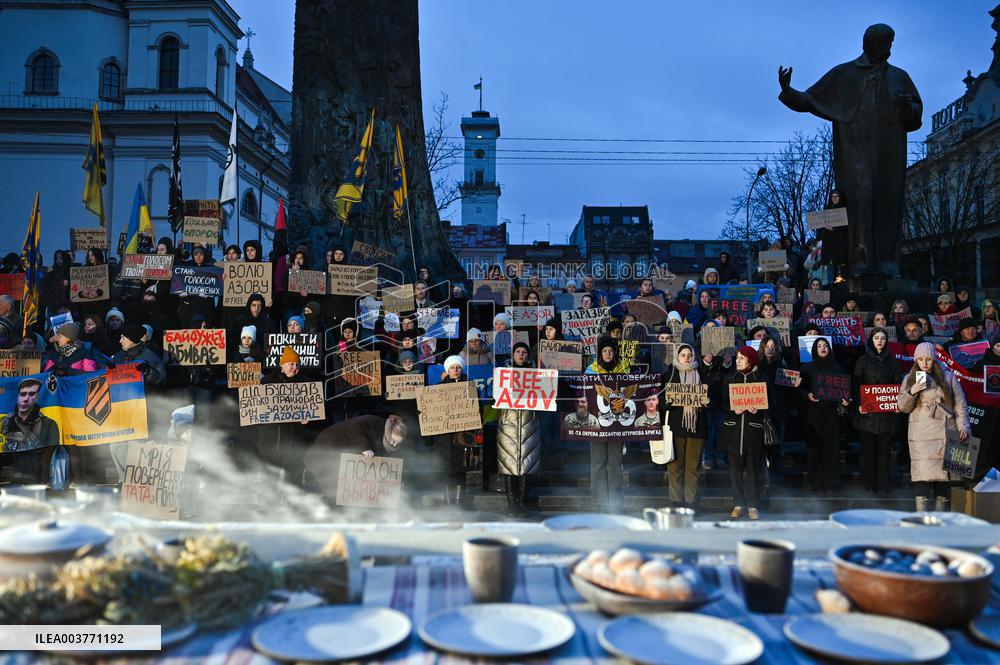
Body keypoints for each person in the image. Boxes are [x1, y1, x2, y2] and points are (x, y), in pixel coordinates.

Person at [897, 342, 971, 512]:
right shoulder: (909, 378)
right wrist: (912, 391)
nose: (925, 363)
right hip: (921, 434)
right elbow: (902, 406)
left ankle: (940, 517)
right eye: (921, 359)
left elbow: (960, 406)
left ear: (934, 359)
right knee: (922, 475)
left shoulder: (949, 377)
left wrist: (964, 427)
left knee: (943, 478)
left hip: (946, 430)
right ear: (916, 360)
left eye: (928, 359)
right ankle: (922, 517)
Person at [717, 346, 768, 520]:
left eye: (742, 358)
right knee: (735, 471)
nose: (738, 361)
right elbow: (722, 403)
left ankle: (754, 504)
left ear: (751, 360)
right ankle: (738, 503)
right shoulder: (730, 378)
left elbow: (771, 404)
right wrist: (734, 409)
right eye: (737, 358)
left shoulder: (760, 379)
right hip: (733, 430)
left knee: (754, 471)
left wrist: (758, 410)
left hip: (753, 430)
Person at [303, 415, 407, 499]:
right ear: (390, 432)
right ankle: (330, 511)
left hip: (342, 456)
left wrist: (396, 479)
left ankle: (339, 508)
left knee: (341, 489)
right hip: (327, 448)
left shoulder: (387, 444)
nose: (394, 445)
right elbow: (355, 427)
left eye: (397, 443)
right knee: (333, 486)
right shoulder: (374, 422)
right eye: (394, 441)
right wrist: (364, 448)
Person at [853, 327, 901, 494]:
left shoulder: (893, 362)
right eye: (876, 338)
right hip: (867, 415)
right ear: (871, 340)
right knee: (867, 451)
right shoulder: (862, 360)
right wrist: (859, 404)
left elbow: (897, 386)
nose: (879, 341)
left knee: (884, 452)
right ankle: (868, 485)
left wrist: (896, 403)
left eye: (882, 338)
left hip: (886, 415)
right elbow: (856, 385)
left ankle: (882, 485)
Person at [799, 337, 849, 492]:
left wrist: (845, 401)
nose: (822, 348)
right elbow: (800, 389)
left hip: (832, 412)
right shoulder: (807, 368)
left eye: (825, 345)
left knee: (831, 447)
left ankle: (831, 482)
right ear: (815, 349)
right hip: (813, 412)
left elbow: (845, 392)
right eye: (819, 346)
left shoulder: (837, 368)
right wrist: (807, 395)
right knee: (814, 447)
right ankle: (812, 481)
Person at [585, 335, 628, 510]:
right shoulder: (590, 370)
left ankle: (615, 500)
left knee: (615, 461)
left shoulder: (623, 369)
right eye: (605, 351)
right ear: (599, 353)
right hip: (597, 424)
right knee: (598, 461)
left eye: (611, 350)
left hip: (617, 424)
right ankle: (599, 500)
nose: (608, 353)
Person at [663, 343, 708, 509]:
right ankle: (675, 502)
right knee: (675, 467)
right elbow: (660, 401)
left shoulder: (702, 373)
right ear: (677, 356)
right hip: (675, 427)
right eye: (683, 355)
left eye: (690, 355)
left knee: (693, 468)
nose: (687, 358)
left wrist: (707, 402)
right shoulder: (670, 374)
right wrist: (666, 401)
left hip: (697, 427)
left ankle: (691, 503)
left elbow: (712, 397)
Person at [0, 377, 60, 482]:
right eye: (23, 394)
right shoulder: (5, 422)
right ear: (18, 396)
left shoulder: (50, 424)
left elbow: (51, 453)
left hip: (37, 482)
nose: (25, 399)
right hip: (13, 483)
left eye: (31, 394)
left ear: (38, 397)